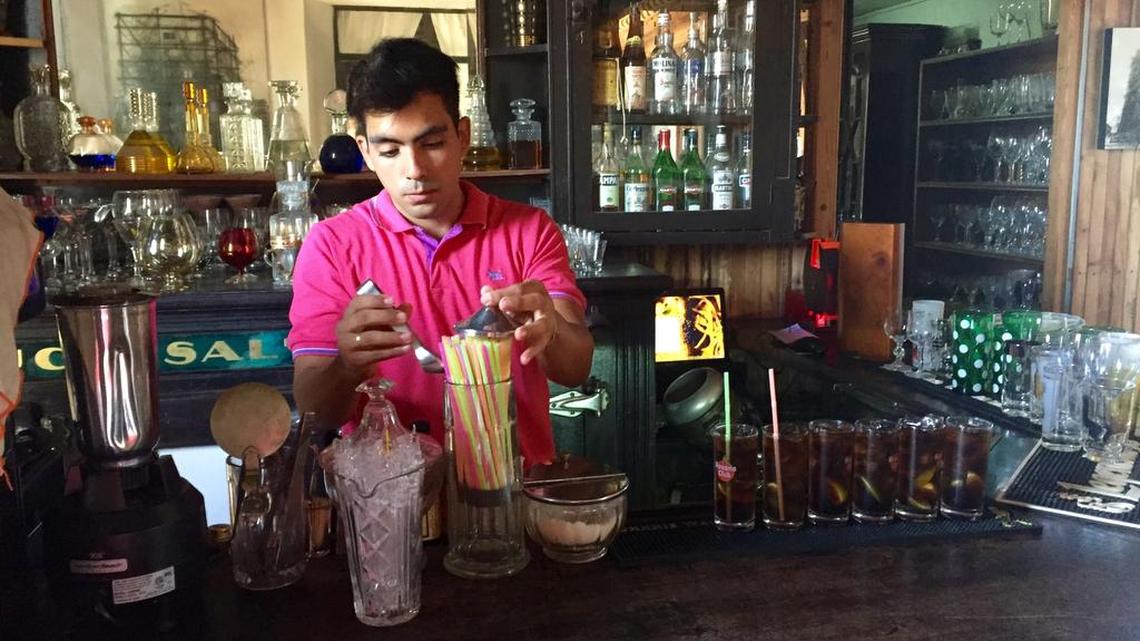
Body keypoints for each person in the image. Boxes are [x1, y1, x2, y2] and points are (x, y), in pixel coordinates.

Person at [288, 38, 594, 466]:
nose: (414, 171)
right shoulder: (332, 245)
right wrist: (347, 364)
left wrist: (551, 332)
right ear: (364, 151)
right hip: (391, 495)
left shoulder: (528, 231)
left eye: (431, 143)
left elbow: (575, 368)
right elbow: (316, 409)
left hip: (514, 485)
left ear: (462, 136)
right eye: (390, 150)